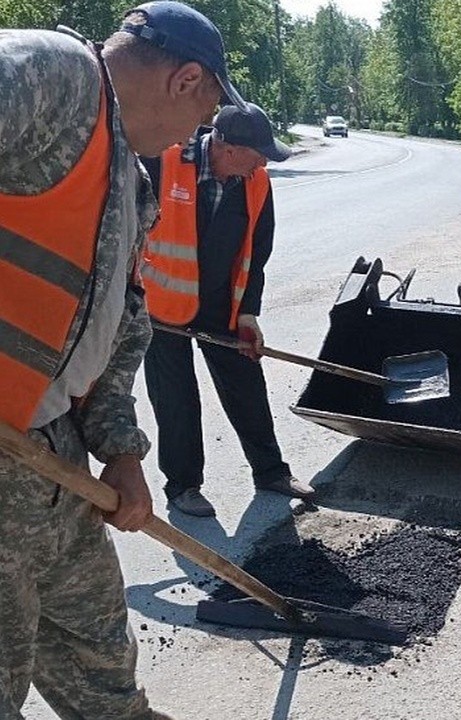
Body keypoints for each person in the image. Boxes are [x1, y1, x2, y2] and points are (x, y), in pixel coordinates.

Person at [0, 2, 239, 717]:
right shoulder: (58, 77)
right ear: (186, 79)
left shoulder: (130, 182)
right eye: (204, 116)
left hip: (52, 463)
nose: (198, 134)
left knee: (99, 661)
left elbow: (122, 331)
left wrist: (121, 450)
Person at [140, 102, 313, 518]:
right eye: (256, 155)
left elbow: (257, 253)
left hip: (222, 305)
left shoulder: (256, 184)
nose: (261, 164)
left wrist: (248, 312)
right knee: (176, 399)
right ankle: (184, 486)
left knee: (246, 384)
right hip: (161, 308)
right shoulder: (162, 162)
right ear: (224, 145)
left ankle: (270, 470)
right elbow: (126, 227)